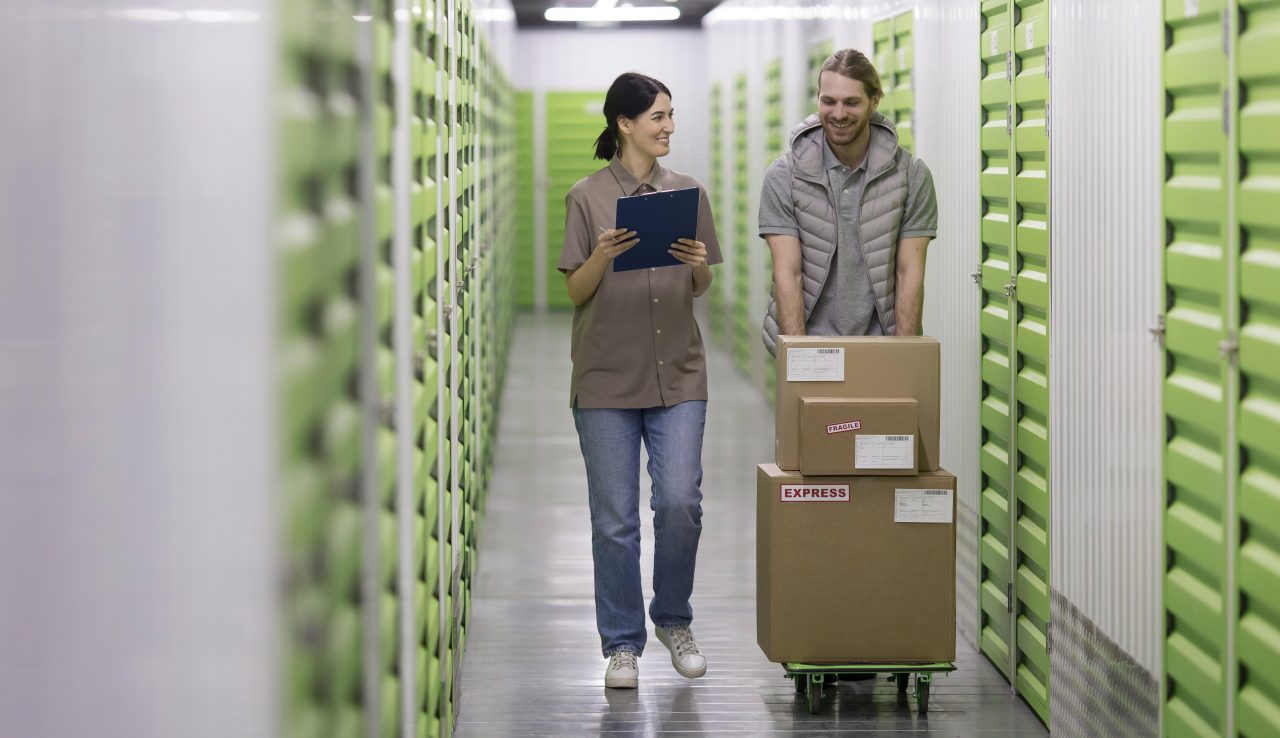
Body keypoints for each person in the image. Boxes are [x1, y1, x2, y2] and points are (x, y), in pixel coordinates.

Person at [557, 72, 723, 690]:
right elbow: (575, 289)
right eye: (658, 117)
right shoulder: (585, 196)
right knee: (615, 520)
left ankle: (673, 621)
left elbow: (701, 286)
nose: (669, 127)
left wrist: (699, 266)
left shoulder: (689, 192)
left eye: (671, 115)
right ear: (625, 125)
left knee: (680, 504)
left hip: (679, 372)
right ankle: (622, 643)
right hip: (606, 376)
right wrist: (602, 254)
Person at [760, 48, 938, 355]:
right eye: (829, 101)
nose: (839, 114)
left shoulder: (910, 175)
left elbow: (909, 273)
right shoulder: (784, 176)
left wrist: (905, 356)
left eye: (851, 102)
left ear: (875, 101)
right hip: (810, 342)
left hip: (880, 346)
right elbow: (788, 274)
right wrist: (798, 357)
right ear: (818, 99)